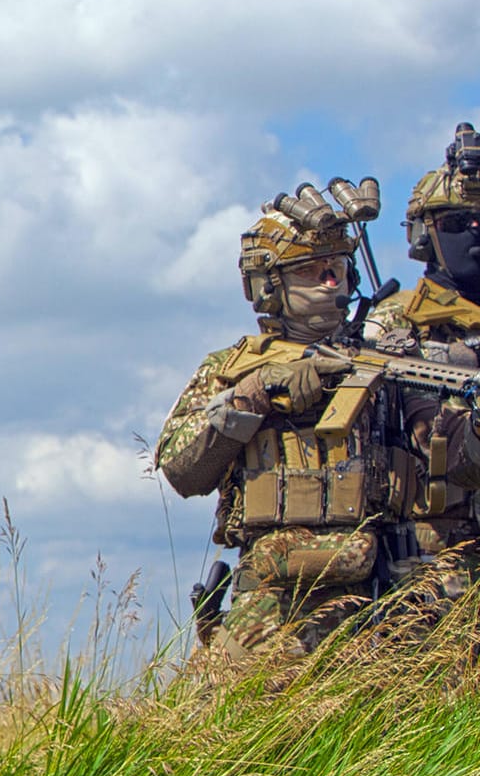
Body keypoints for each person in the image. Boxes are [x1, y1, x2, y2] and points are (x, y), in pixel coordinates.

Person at [157, 193, 440, 663]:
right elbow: (180, 468)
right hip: (270, 608)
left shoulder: (391, 363)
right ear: (268, 285)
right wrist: (258, 393)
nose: (331, 283)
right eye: (312, 270)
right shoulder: (232, 369)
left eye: (339, 269)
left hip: (382, 598)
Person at [359, 123, 480, 617]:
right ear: (423, 235)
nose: (474, 232)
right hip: (438, 563)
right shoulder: (395, 325)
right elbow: (428, 443)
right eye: (456, 223)